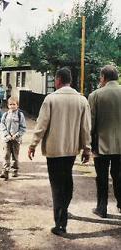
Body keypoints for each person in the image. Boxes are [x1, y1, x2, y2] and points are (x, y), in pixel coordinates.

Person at [28, 67, 91, 236]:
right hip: (71, 150)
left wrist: (33, 144)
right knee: (67, 180)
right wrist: (87, 149)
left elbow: (41, 125)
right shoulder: (81, 100)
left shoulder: (51, 99)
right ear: (69, 80)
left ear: (58, 80)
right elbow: (86, 128)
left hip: (54, 150)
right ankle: (64, 210)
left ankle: (60, 223)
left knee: (57, 185)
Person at [88, 65, 121, 218]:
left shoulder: (95, 95)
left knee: (101, 177)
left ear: (104, 78)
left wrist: (88, 145)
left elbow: (91, 123)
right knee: (119, 175)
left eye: (100, 78)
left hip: (101, 144)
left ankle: (102, 208)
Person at [0, 96, 26, 180]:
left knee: (15, 156)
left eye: (14, 104)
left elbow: (23, 127)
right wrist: (7, 135)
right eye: (10, 104)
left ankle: (15, 170)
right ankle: (5, 171)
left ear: (17, 105)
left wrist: (17, 135)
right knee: (6, 155)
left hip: (16, 140)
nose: (12, 106)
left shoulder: (20, 115)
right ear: (8, 105)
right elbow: (2, 125)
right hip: (7, 139)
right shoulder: (5, 114)